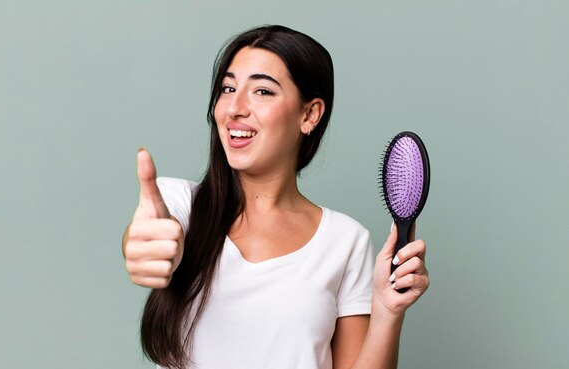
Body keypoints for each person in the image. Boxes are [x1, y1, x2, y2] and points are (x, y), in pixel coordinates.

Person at [122, 25, 429, 369]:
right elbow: (155, 232)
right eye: (228, 87)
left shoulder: (345, 240)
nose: (234, 108)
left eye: (262, 91)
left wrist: (387, 312)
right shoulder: (179, 203)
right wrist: (147, 247)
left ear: (309, 114)